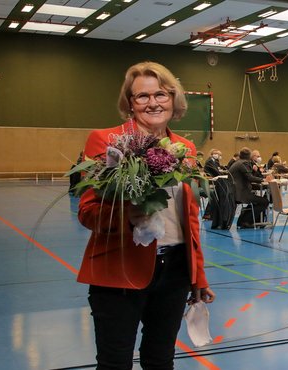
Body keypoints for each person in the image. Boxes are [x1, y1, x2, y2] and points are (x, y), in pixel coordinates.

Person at [77, 61, 215, 370]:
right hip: (120, 269)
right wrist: (131, 211)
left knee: (161, 360)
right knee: (115, 364)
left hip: (176, 271)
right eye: (142, 96)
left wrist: (198, 276)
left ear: (173, 99)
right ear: (130, 102)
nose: (153, 103)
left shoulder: (186, 148)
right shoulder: (107, 141)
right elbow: (87, 213)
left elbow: (189, 220)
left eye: (161, 94)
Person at [228, 147, 272, 228]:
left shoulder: (237, 162)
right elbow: (250, 177)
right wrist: (264, 179)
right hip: (241, 193)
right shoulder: (244, 163)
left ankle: (243, 220)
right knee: (264, 201)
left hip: (234, 192)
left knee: (257, 201)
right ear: (249, 156)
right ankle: (246, 221)